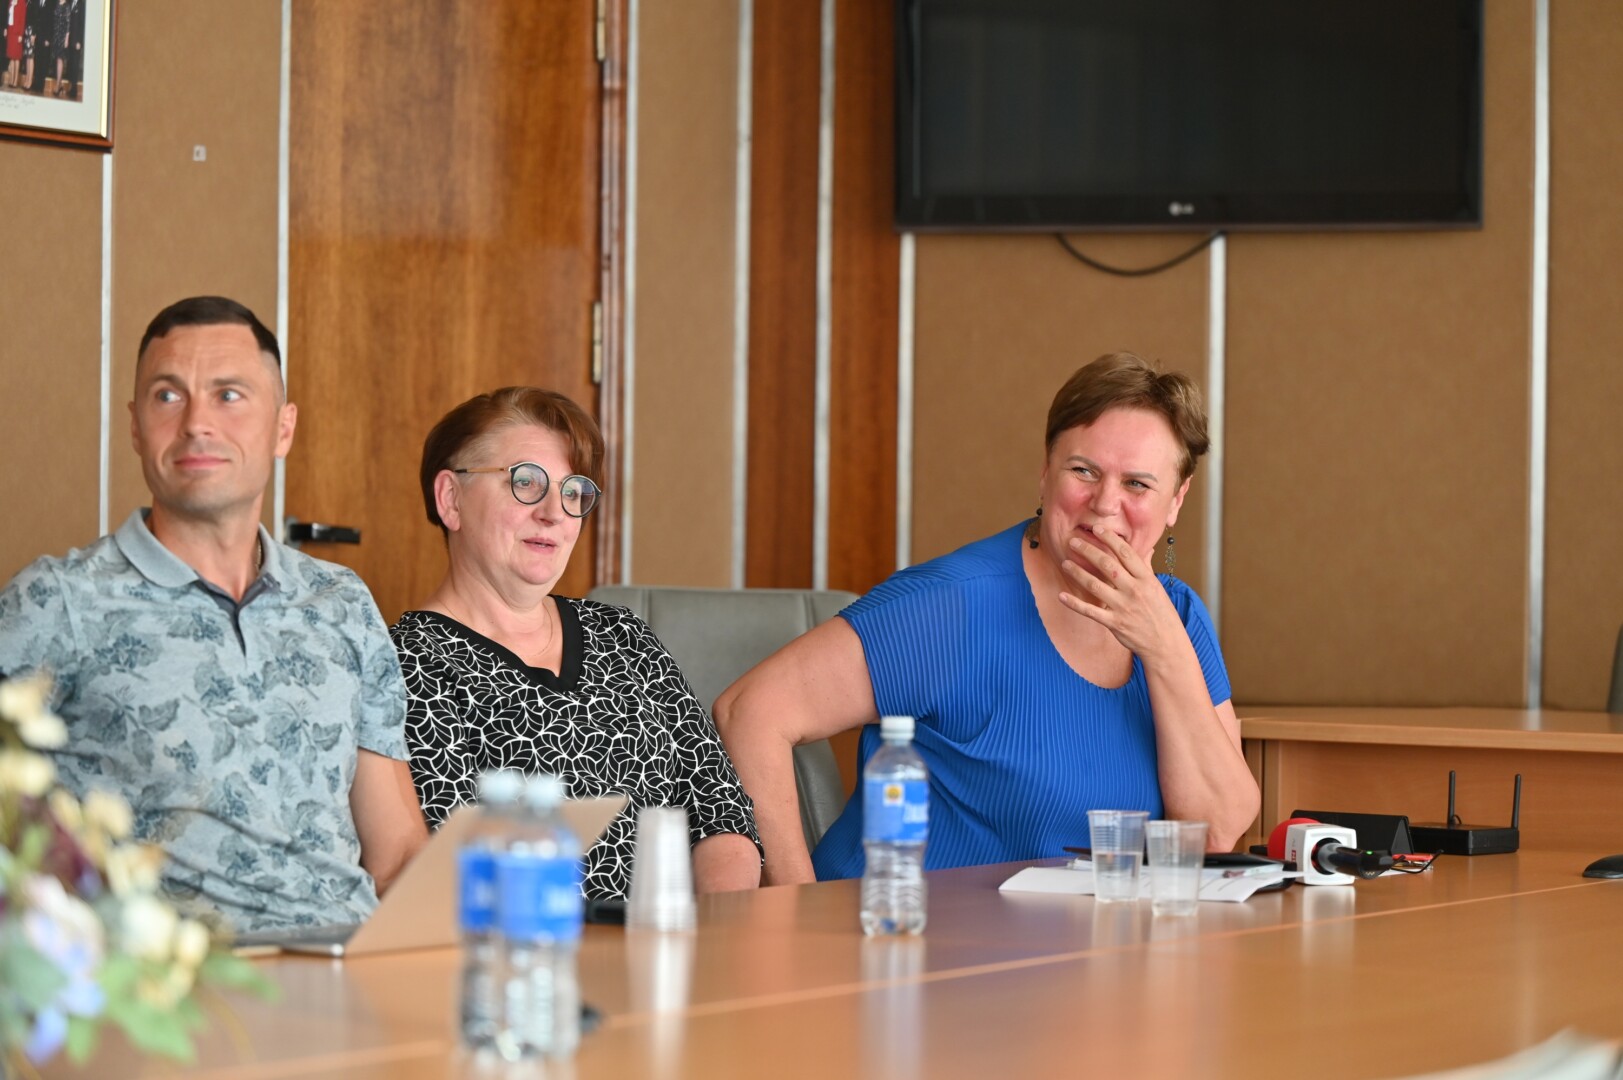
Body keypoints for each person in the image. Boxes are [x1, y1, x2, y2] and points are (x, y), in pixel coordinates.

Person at [716, 352, 1260, 884]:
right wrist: (792, 914)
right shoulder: (949, 606)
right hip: (897, 931)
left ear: (1176, 501)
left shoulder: (1178, 618)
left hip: (1077, 941)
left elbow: (1216, 833)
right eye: (1083, 471)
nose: (1103, 503)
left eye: (1137, 484)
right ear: (1045, 473)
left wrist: (1163, 647)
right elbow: (749, 713)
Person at [0, 296, 428, 931]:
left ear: (283, 428)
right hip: (177, 977)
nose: (197, 423)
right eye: (168, 396)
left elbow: (396, 857)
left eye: (229, 395)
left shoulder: (341, 601)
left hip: (346, 959)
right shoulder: (58, 600)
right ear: (136, 426)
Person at [391, 387, 762, 900]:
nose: (554, 512)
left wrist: (716, 930)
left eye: (573, 492)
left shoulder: (623, 634)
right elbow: (447, 874)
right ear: (451, 499)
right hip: (522, 942)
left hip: (677, 940)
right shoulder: (407, 664)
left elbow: (722, 814)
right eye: (525, 482)